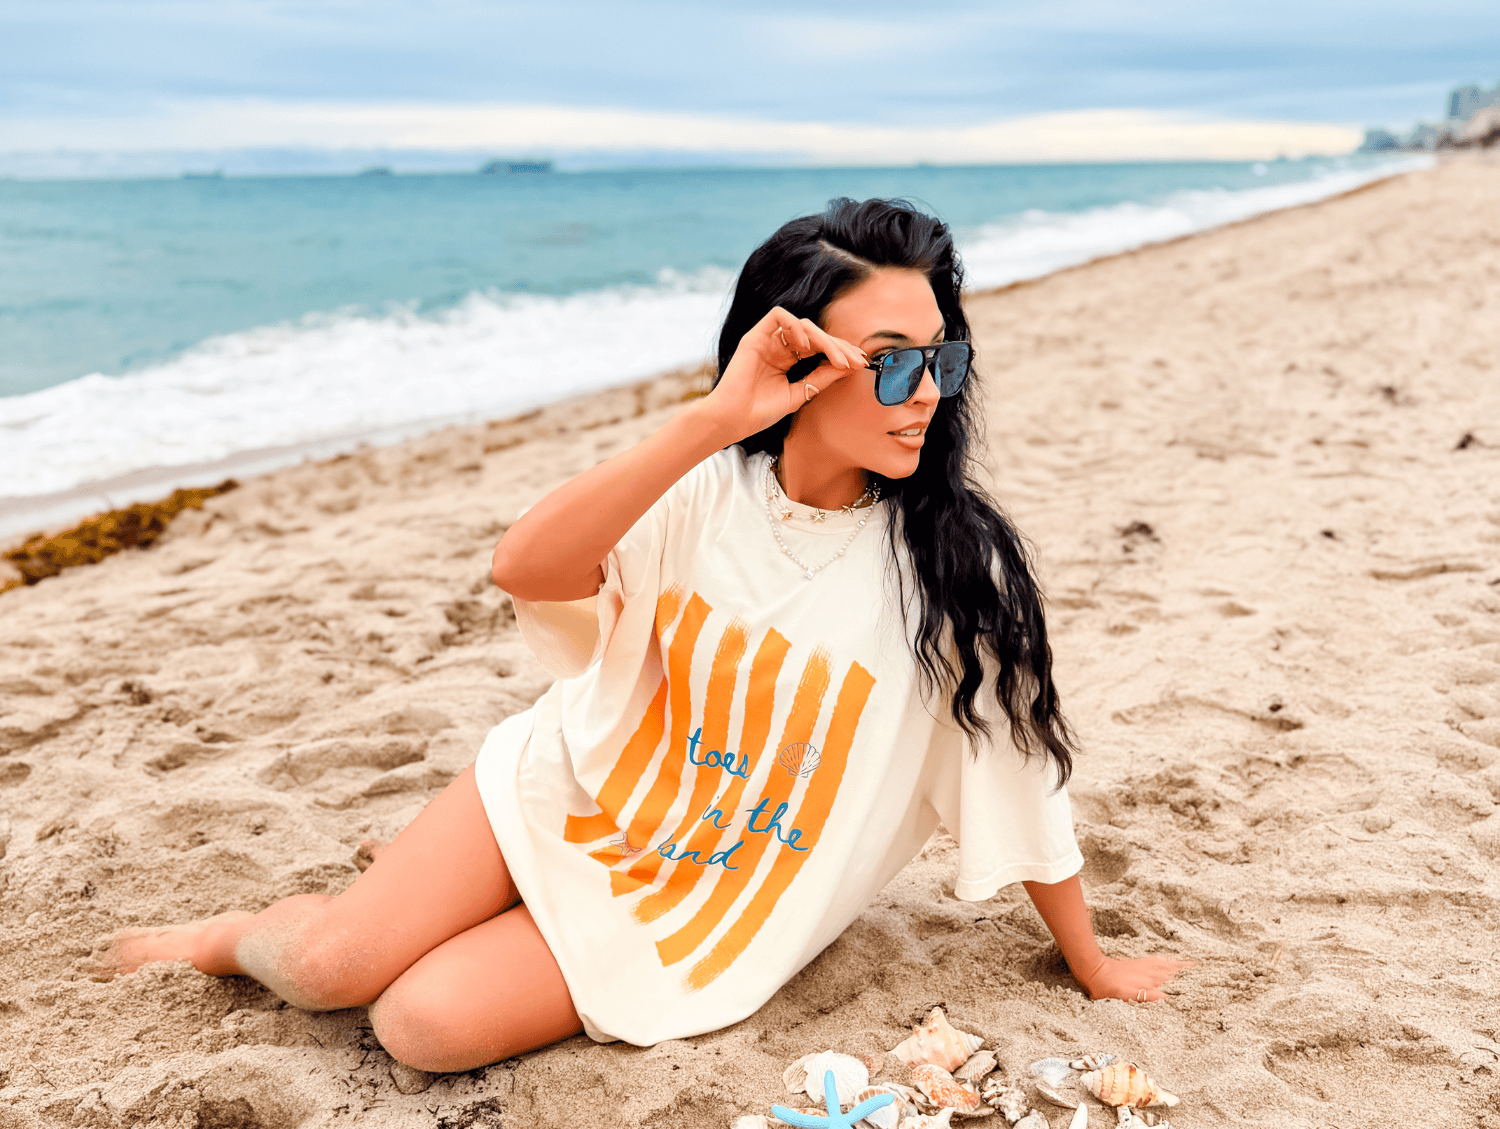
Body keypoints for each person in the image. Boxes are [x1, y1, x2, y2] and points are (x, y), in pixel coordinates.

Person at [103, 197, 1188, 1070]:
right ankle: (227, 936)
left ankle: (419, 912)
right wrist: (718, 416)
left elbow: (1017, 765)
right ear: (798, 360)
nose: (926, 397)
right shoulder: (704, 491)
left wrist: (1088, 960)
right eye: (895, 361)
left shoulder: (954, 567)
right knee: (331, 966)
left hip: (712, 891)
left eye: (943, 363)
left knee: (420, 1027)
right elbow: (524, 567)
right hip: (569, 782)